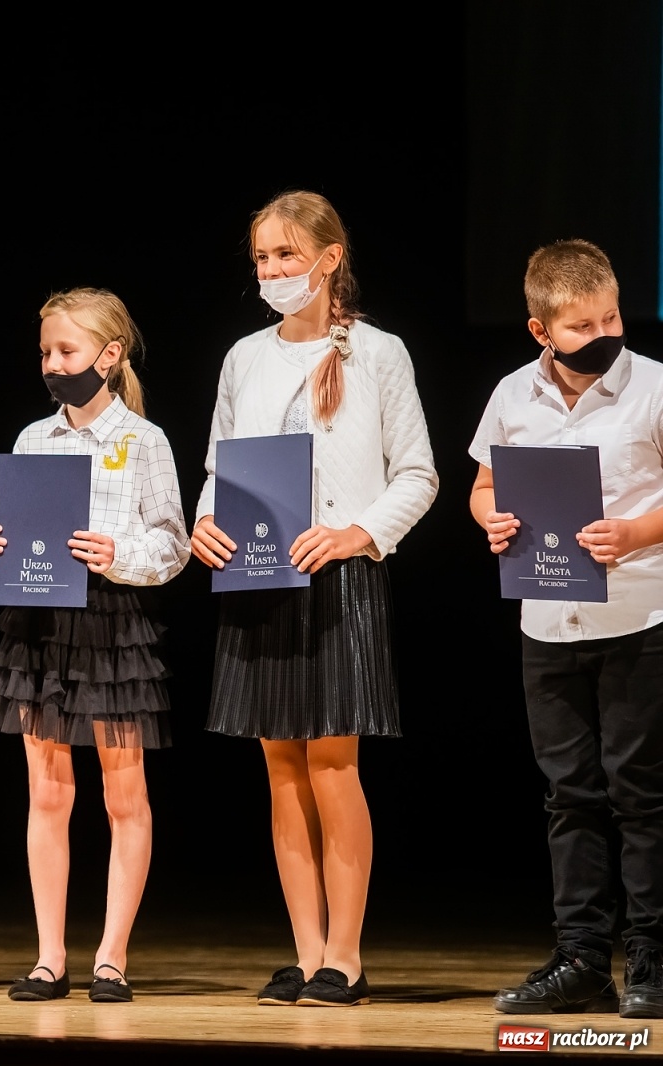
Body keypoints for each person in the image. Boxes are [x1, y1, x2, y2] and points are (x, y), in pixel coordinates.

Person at [190, 191, 437, 1007]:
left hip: (339, 578)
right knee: (280, 770)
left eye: (287, 256)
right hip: (259, 578)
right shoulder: (243, 358)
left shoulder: (379, 353)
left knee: (333, 765)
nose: (272, 272)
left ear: (330, 259)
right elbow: (220, 467)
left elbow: (417, 474)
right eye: (262, 259)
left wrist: (355, 534)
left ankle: (345, 954)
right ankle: (303, 951)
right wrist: (205, 525)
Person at [472, 240, 663, 1019]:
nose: (604, 332)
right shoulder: (513, 397)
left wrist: (638, 534)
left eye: (611, 315)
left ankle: (652, 955)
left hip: (640, 617)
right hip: (547, 619)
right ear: (540, 329)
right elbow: (484, 485)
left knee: (642, 795)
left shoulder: (653, 387)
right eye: (582, 325)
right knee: (570, 796)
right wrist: (491, 520)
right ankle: (583, 956)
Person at [0, 288, 188, 1004]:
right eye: (45, 352)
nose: (53, 364)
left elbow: (173, 542)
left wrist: (115, 550)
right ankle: (48, 956)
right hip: (40, 623)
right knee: (47, 792)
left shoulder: (144, 440)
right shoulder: (35, 440)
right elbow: (21, 530)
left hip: (111, 621)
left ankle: (111, 955)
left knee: (123, 794)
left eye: (65, 351)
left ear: (109, 355)